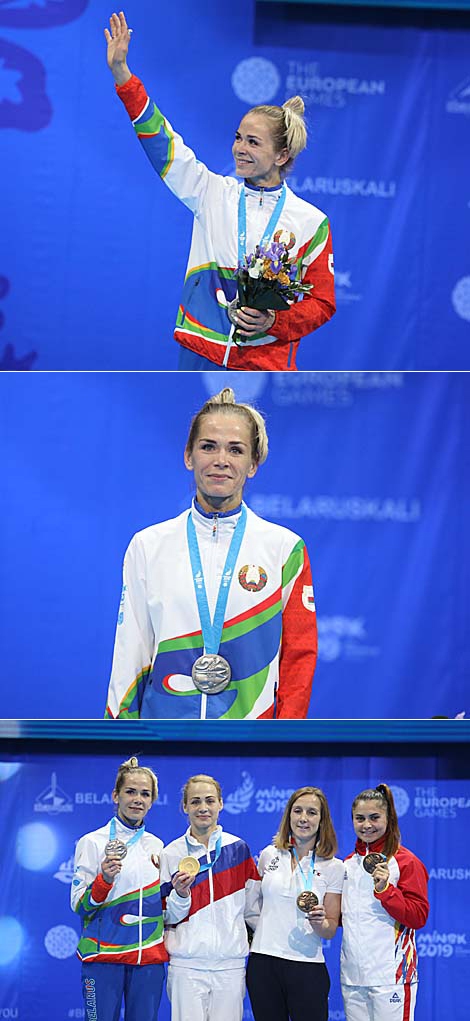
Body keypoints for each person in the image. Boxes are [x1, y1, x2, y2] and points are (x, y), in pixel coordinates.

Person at [104, 11, 335, 371]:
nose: (240, 148)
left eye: (253, 142)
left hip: (267, 362)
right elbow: (164, 143)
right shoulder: (211, 192)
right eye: (238, 138)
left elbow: (322, 302)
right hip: (201, 351)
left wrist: (275, 323)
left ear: (282, 155)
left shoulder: (311, 222)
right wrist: (123, 76)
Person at [105, 387, 317, 720]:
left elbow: (298, 658)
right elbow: (130, 651)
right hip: (162, 736)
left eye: (236, 450)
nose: (221, 460)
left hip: (251, 738)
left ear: (253, 465)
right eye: (208, 447)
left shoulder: (284, 549)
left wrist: (284, 741)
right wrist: (119, 740)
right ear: (188, 456)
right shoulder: (148, 545)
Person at [71, 756, 194, 1021]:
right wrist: (104, 879)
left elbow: (168, 912)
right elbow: (80, 907)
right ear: (116, 796)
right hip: (103, 959)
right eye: (130, 792)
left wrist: (182, 895)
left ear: (152, 801)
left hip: (147, 962)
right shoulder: (92, 842)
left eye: (145, 794)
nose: (137, 799)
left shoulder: (158, 847)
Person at [159, 773, 260, 1021]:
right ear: (184, 806)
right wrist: (181, 895)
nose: (203, 808)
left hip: (230, 966)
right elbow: (165, 915)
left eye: (209, 800)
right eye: (195, 801)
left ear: (220, 804)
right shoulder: (171, 853)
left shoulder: (238, 849)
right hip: (186, 966)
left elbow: (253, 911)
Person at [246, 785, 343, 1021]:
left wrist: (320, 923)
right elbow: (251, 908)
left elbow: (330, 929)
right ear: (289, 816)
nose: (303, 818)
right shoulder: (268, 855)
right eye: (297, 811)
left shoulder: (334, 867)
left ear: (322, 820)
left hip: (307, 966)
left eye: (312, 812)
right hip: (263, 963)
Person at [340, 783, 430, 1021]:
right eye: (359, 818)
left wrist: (386, 891)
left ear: (388, 818)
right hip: (353, 978)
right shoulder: (348, 864)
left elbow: (418, 916)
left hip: (392, 977)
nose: (367, 825)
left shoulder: (406, 862)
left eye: (374, 817)